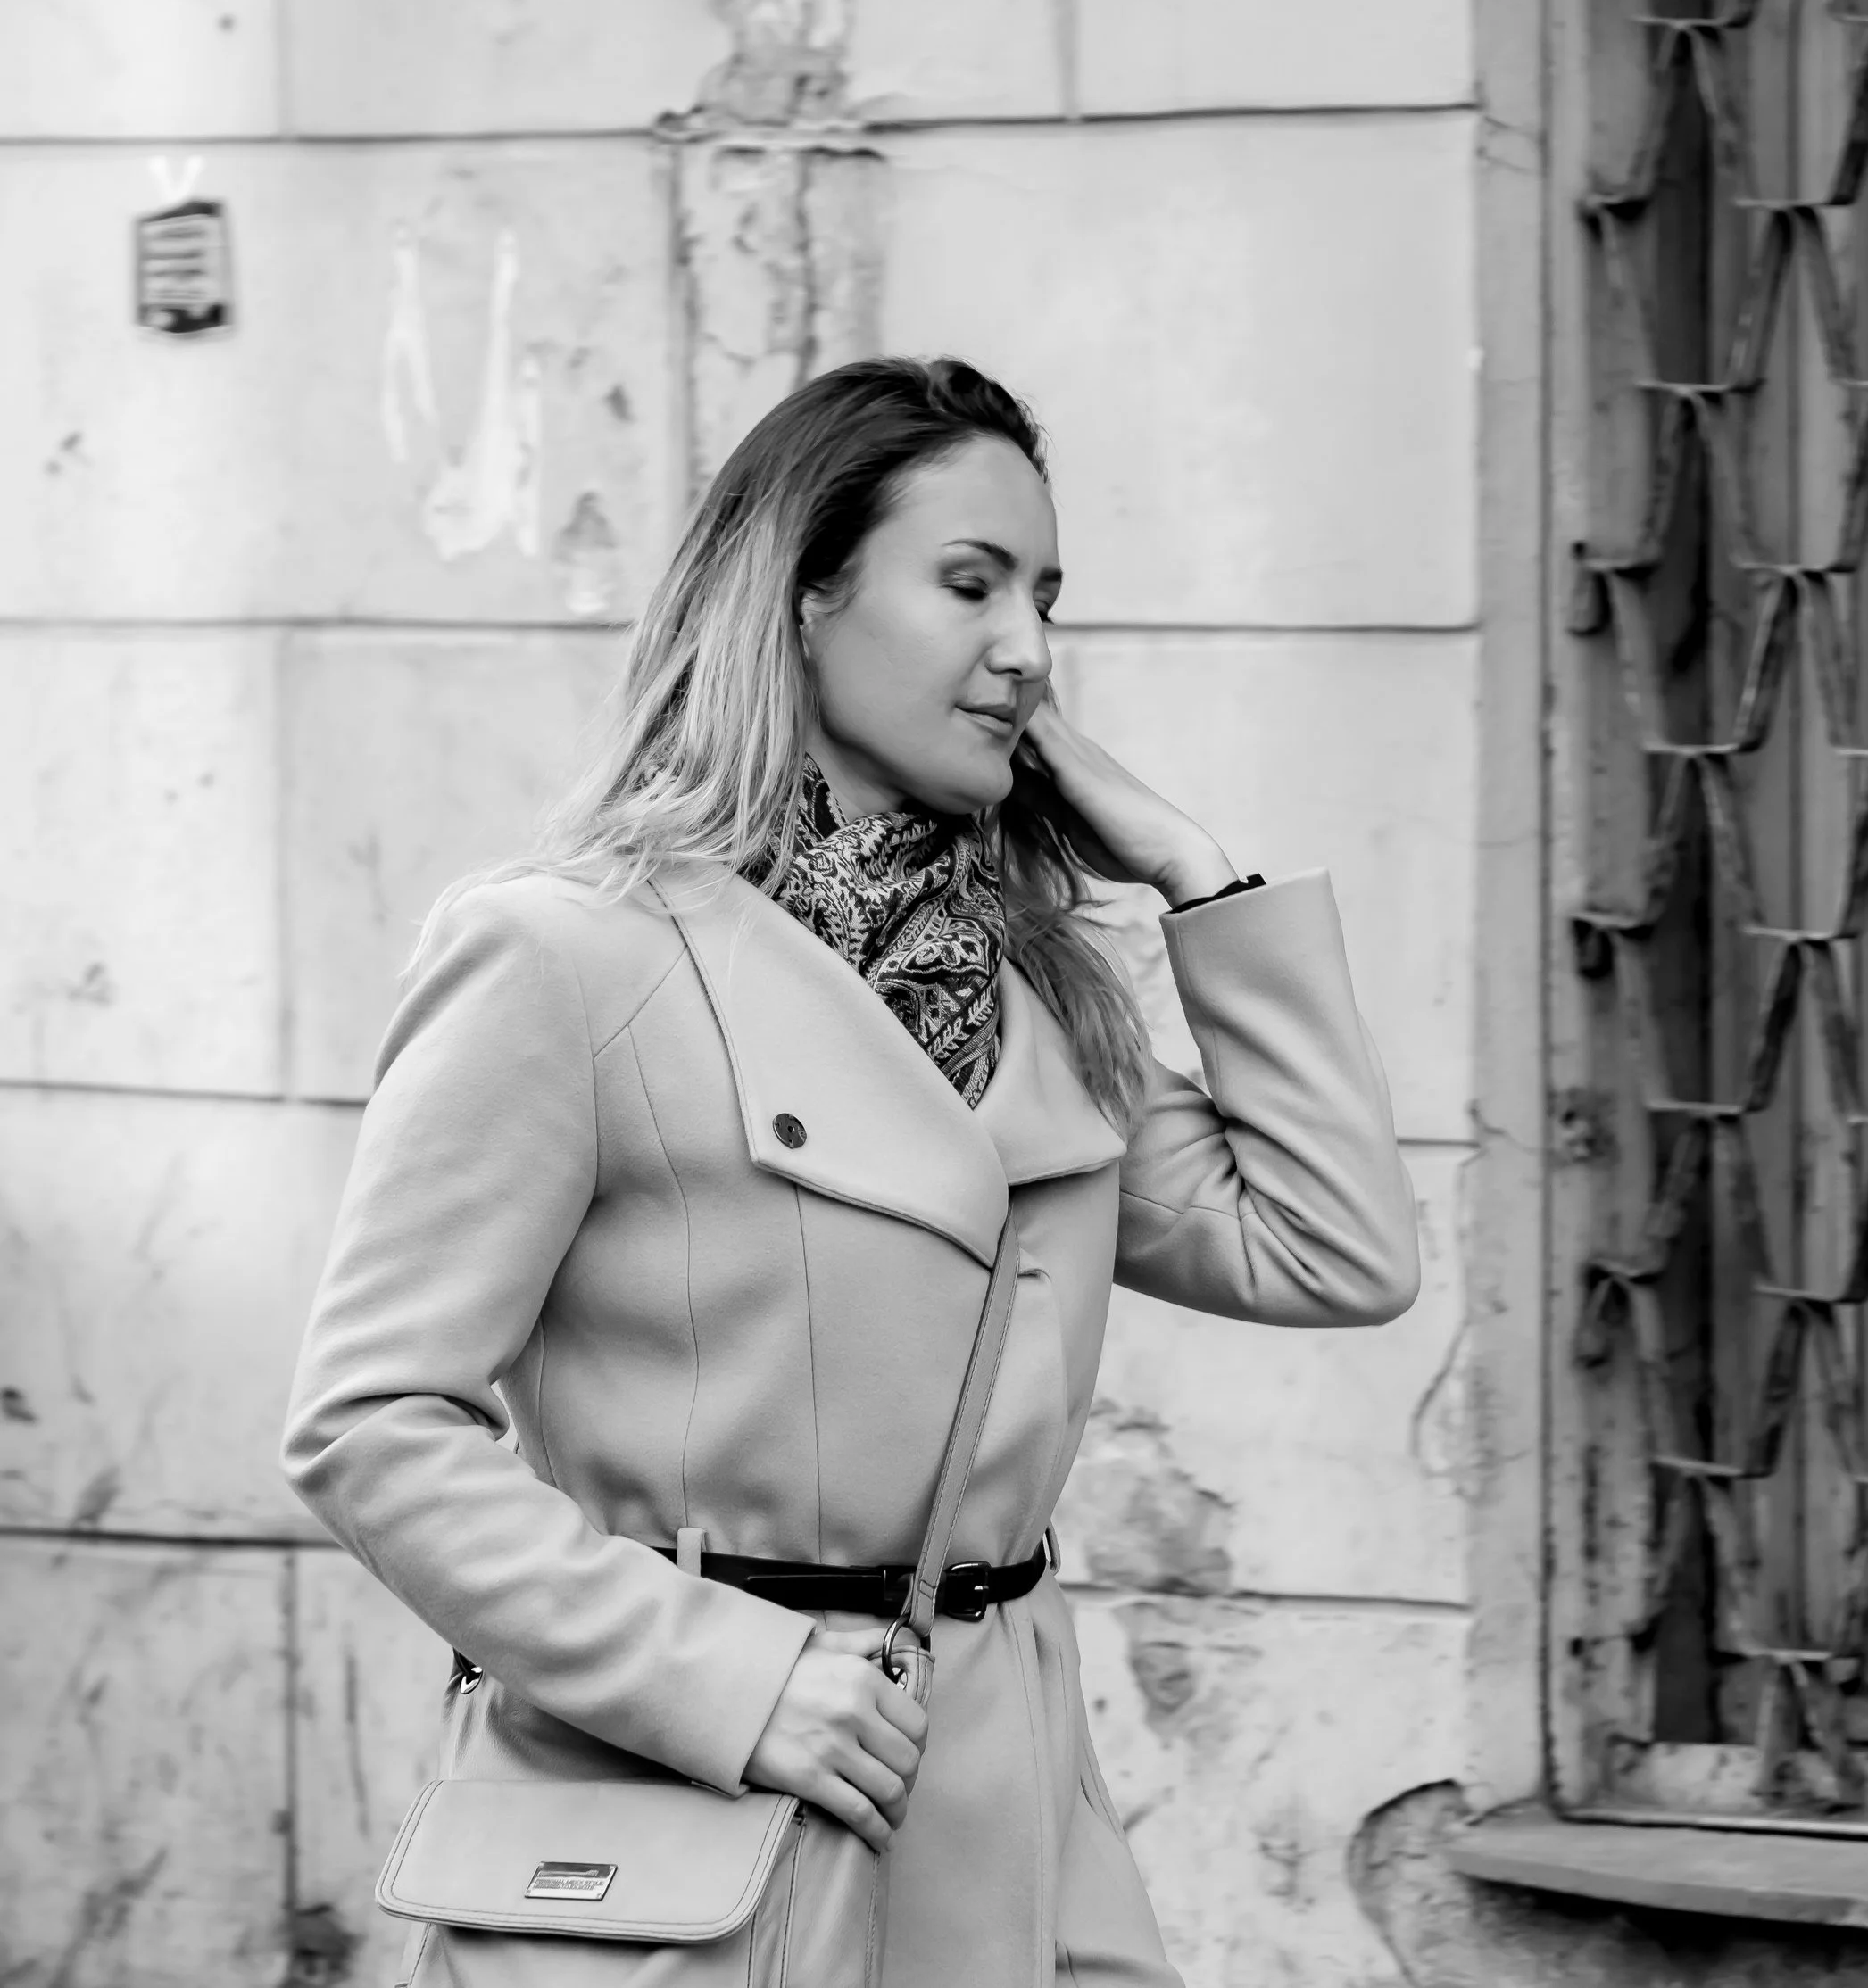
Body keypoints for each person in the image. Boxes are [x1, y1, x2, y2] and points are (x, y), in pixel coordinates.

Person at [282, 356, 1420, 1987]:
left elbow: (1338, 1251)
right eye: (969, 584)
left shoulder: (1042, 995)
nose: (1027, 649)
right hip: (697, 1815)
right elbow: (370, 1424)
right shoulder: (571, 954)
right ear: (804, 596)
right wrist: (732, 1682)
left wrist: (1196, 873)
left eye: (1043, 596)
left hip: (1015, 1837)